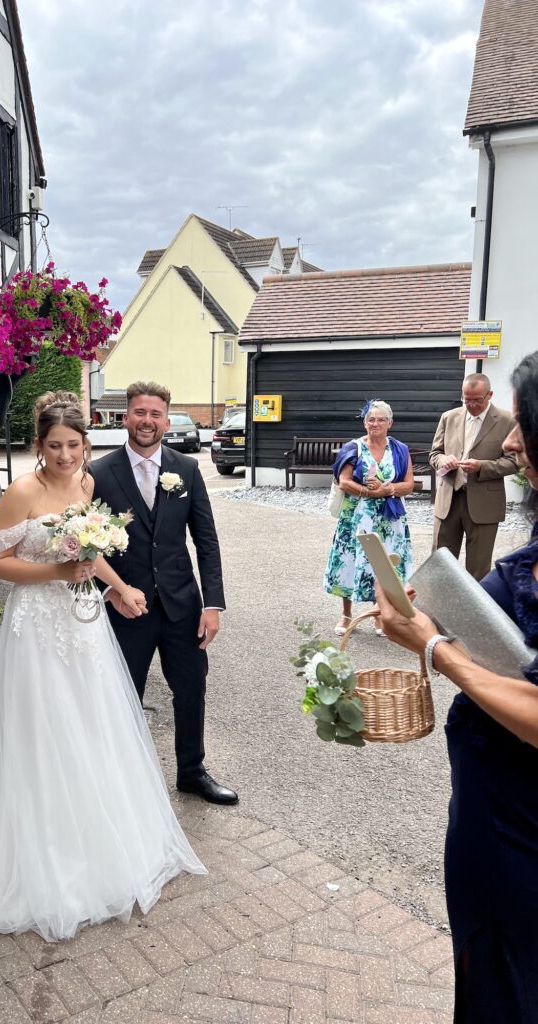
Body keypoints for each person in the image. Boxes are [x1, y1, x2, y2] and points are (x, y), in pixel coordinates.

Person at [0, 392, 205, 941]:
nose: (65, 456)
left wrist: (120, 590)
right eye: (54, 446)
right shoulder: (23, 490)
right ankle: (31, 844)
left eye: (73, 445)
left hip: (85, 620)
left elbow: (89, 558)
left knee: (91, 722)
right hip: (36, 626)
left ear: (85, 445)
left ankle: (96, 836)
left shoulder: (89, 484)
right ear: (38, 444)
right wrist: (55, 574)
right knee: (38, 726)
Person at [375, 351, 538, 1023]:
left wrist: (434, 649)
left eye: (524, 422)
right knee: (485, 967)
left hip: (528, 834)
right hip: (484, 815)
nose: (512, 439)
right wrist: (419, 610)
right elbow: (476, 615)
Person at [90, 381, 238, 805]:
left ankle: (192, 772)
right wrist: (111, 590)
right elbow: (86, 547)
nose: (147, 421)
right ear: (125, 417)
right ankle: (123, 779)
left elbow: (205, 541)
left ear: (166, 419)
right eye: (139, 412)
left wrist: (212, 605)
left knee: (192, 690)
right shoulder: (99, 473)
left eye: (155, 414)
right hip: (126, 608)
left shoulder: (186, 470)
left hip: (182, 605)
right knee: (123, 696)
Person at [324, 399, 414, 636]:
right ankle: (346, 615)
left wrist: (388, 489)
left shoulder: (400, 449)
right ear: (364, 423)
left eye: (381, 419)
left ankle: (379, 614)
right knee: (349, 560)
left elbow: (409, 484)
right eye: (371, 419)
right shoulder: (353, 448)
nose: (375, 423)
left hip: (388, 519)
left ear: (390, 423)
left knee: (385, 565)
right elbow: (344, 482)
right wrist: (369, 491)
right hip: (355, 517)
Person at [430, 372, 517, 580]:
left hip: (484, 504)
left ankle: (472, 613)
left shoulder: (507, 421)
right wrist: (444, 461)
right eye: (466, 399)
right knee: (439, 564)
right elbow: (434, 454)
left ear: (490, 395)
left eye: (476, 400)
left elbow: (515, 461)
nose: (471, 405)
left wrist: (482, 466)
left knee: (478, 569)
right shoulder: (449, 417)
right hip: (449, 501)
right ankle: (436, 611)